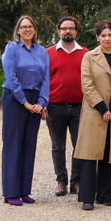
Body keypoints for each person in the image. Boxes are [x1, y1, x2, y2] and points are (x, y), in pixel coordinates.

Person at [74, 20, 111, 210]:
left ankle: (105, 194)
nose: (107, 38)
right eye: (103, 35)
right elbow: (87, 85)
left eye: (110, 35)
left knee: (109, 154)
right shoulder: (89, 57)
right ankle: (88, 197)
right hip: (95, 113)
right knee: (91, 155)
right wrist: (102, 108)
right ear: (98, 37)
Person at [1, 15, 49, 206]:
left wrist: (42, 102)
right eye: (23, 27)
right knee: (13, 145)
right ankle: (11, 192)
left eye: (30, 26)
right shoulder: (11, 49)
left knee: (29, 146)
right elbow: (11, 77)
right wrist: (24, 102)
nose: (27, 30)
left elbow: (46, 78)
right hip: (14, 99)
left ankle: (24, 191)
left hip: (35, 100)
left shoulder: (42, 51)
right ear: (18, 31)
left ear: (34, 30)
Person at [45, 17, 88, 197]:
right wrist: (43, 104)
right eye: (64, 28)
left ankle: (75, 182)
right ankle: (61, 181)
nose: (67, 31)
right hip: (55, 106)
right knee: (58, 146)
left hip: (80, 107)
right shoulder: (48, 53)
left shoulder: (86, 53)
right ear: (58, 31)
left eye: (71, 28)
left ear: (76, 31)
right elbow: (43, 80)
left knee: (79, 145)